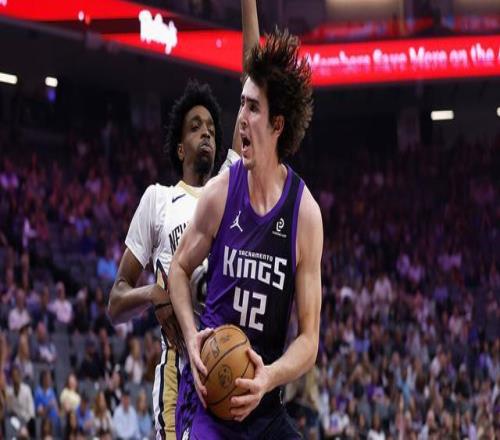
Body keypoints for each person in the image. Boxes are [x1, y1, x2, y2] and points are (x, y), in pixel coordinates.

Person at [107, 1, 259, 438]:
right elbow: (115, 302)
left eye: (211, 125)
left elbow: (253, 80)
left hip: (229, 359)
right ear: (179, 147)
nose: (207, 131)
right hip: (179, 367)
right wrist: (154, 292)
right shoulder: (157, 199)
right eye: (195, 127)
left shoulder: (229, 182)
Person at [169, 26, 321, 440]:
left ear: (277, 124)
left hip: (264, 406)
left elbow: (309, 340)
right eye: (240, 104)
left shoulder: (305, 214)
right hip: (209, 402)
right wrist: (190, 337)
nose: (240, 119)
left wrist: (268, 376)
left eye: (253, 108)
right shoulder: (220, 193)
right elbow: (178, 270)